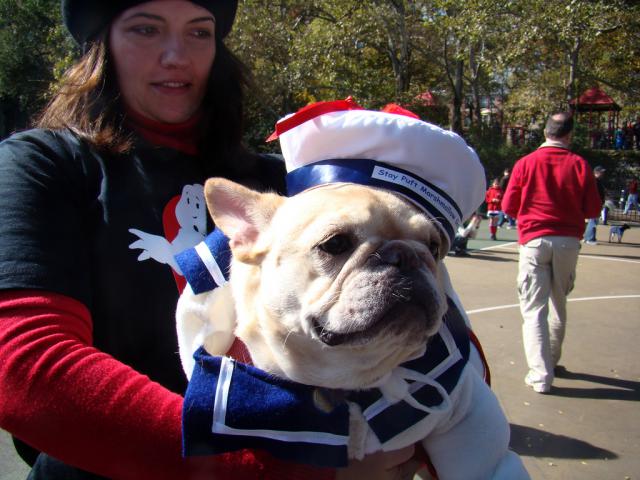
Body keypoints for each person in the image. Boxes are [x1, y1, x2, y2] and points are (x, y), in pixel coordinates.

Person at [0, 2, 418, 479]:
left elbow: (425, 320)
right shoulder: (42, 163)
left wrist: (424, 424)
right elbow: (21, 364)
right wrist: (284, 467)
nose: (177, 54)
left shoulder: (286, 184)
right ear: (102, 46)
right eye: (145, 29)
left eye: (200, 33)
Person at [502, 112, 602, 394]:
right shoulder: (580, 164)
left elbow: (509, 205)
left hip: (534, 240)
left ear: (545, 132)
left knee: (534, 309)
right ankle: (552, 360)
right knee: (559, 304)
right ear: (569, 135)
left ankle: (540, 374)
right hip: (568, 241)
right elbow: (593, 210)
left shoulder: (525, 163)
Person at [583, 166, 606, 245]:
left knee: (592, 221)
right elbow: (593, 193)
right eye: (601, 172)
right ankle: (590, 238)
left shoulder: (597, 181)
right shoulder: (594, 181)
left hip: (595, 203)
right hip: (594, 203)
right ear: (596, 172)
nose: (603, 174)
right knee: (593, 221)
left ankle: (587, 237)